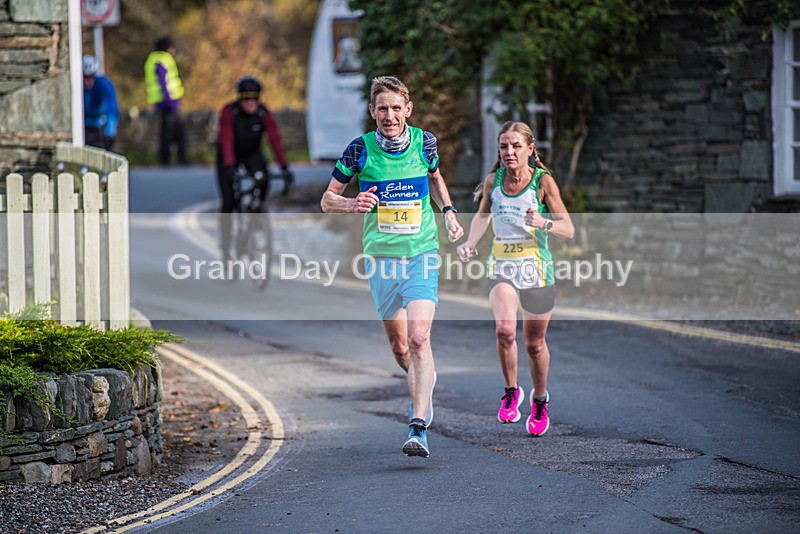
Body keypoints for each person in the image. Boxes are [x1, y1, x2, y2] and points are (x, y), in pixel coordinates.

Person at [320, 75, 464, 458]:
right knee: (400, 345)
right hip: (382, 259)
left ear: (408, 110)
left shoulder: (424, 142)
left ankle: (418, 426)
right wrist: (352, 204)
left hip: (421, 253)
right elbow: (327, 200)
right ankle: (423, 381)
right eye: (382, 108)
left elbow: (435, 178)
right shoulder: (359, 151)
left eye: (396, 108)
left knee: (419, 338)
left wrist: (447, 210)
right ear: (372, 111)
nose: (390, 115)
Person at [457, 121, 574, 437]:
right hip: (502, 267)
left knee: (534, 344)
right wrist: (470, 242)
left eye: (516, 146)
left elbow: (568, 227)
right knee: (505, 330)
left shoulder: (542, 182)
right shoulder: (493, 180)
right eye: (504, 146)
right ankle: (511, 391)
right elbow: (482, 216)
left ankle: (539, 399)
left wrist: (542, 222)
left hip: (536, 269)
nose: (509, 152)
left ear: (530, 149)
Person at [216, 75, 292, 260]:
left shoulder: (263, 113)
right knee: (228, 200)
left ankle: (256, 214)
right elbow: (226, 139)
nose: (251, 103)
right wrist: (229, 166)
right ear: (240, 98)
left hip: (251, 152)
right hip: (229, 154)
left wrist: (284, 167)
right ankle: (226, 246)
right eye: (246, 98)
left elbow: (274, 139)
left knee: (263, 179)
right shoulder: (229, 112)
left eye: (255, 98)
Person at [144, 36, 188, 165]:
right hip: (168, 102)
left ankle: (168, 158)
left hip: (161, 101)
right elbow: (163, 82)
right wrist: (170, 101)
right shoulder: (162, 60)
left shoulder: (153, 59)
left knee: (167, 131)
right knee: (175, 132)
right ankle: (176, 158)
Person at [82, 55, 119, 150]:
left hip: (97, 125)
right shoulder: (77, 84)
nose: (87, 82)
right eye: (85, 78)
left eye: (91, 78)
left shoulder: (103, 84)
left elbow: (111, 108)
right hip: (81, 126)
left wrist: (110, 132)